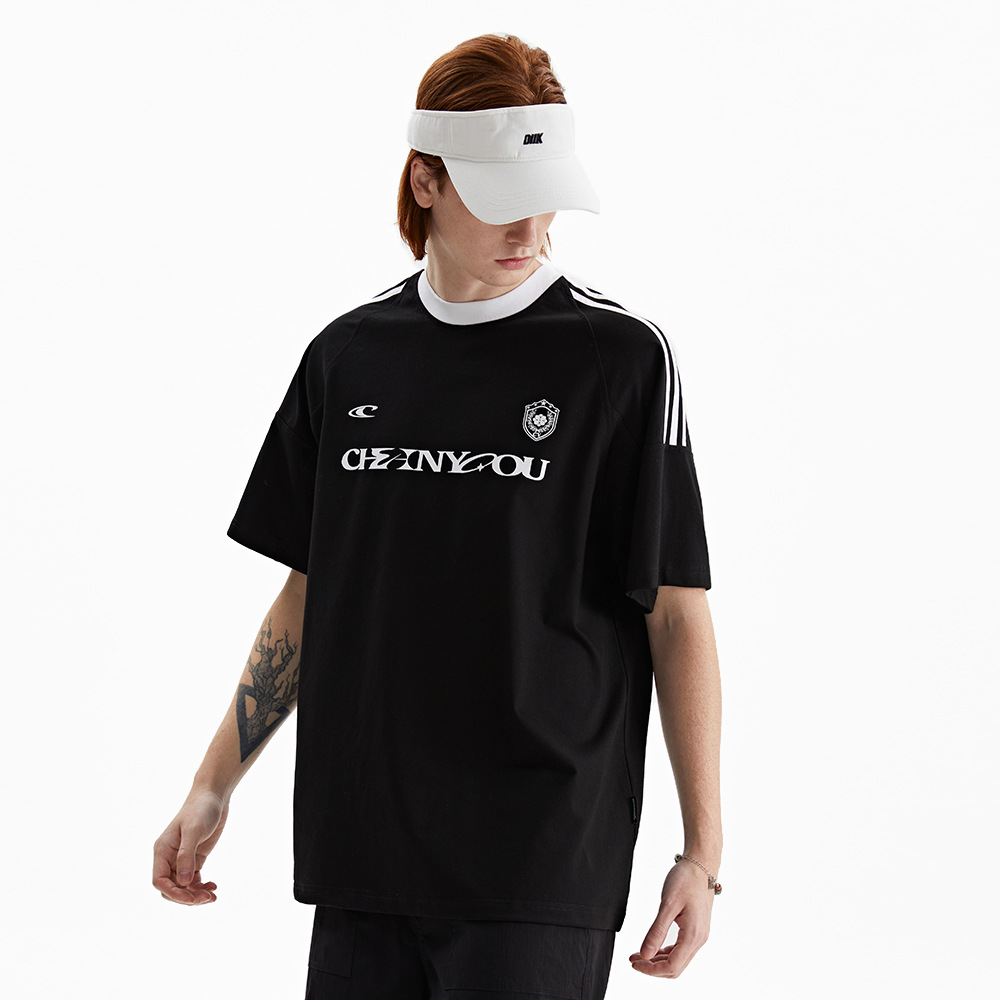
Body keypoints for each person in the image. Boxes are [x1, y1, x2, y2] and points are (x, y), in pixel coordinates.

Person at [152, 31, 723, 997]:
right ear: (425, 180)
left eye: (547, 197)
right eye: (500, 198)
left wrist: (701, 855)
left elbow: (675, 611)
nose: (531, 228)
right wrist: (213, 784)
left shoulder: (621, 361)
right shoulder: (347, 356)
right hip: (362, 844)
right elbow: (312, 590)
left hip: (539, 854)